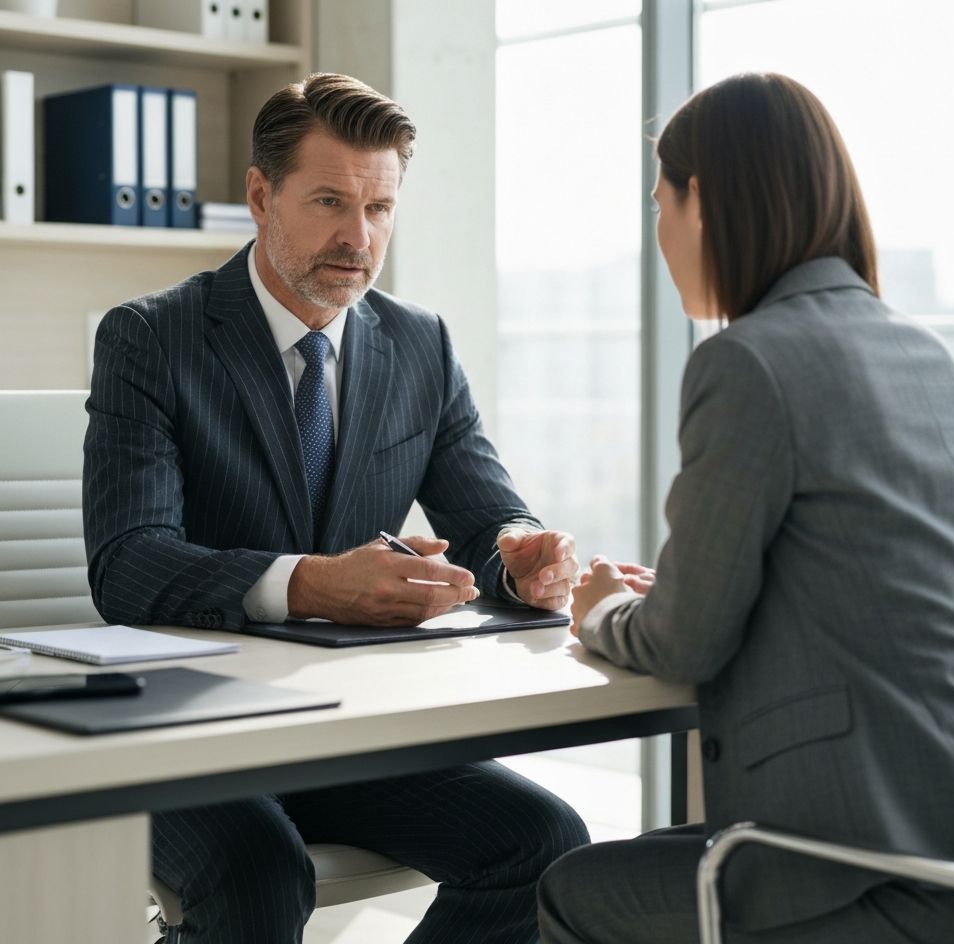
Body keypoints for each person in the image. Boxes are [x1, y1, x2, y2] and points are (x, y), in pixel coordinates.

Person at [84, 72, 588, 944]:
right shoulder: (152, 337)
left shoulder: (420, 343)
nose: (359, 237)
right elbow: (127, 564)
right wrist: (314, 584)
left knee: (544, 845)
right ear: (260, 197)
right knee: (260, 876)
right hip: (181, 730)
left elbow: (487, 520)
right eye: (329, 202)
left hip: (344, 730)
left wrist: (524, 557)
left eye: (379, 208)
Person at [537, 72, 954, 944]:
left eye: (660, 204)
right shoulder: (924, 354)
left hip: (871, 872)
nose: (659, 235)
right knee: (651, 856)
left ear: (702, 200)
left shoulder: (749, 363)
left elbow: (683, 644)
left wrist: (603, 607)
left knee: (574, 891)